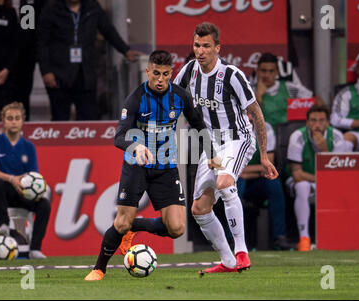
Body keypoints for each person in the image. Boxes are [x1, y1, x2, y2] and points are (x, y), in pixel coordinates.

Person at [84, 50, 211, 281]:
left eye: (165, 74)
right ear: (147, 72)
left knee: (176, 228)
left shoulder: (180, 96)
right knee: (121, 222)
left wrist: (211, 154)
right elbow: (119, 137)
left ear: (171, 73)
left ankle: (136, 226)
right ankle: (99, 269)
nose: (160, 79)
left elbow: (199, 125)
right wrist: (136, 147)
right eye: (155, 74)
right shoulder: (135, 98)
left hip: (166, 167)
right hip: (136, 166)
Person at [174, 22, 278, 273]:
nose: (200, 51)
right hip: (211, 147)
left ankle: (242, 251)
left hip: (237, 139)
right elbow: (172, 98)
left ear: (217, 48)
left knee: (224, 182)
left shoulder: (232, 75)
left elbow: (257, 113)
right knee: (199, 208)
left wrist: (263, 155)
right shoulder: (189, 71)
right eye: (197, 45)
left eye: (206, 46)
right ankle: (229, 260)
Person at [37, 0, 142, 121]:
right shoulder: (51, 8)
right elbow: (42, 43)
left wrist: (126, 51)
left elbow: (108, 30)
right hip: (59, 72)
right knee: (60, 118)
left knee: (88, 116)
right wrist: (45, 71)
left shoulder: (92, 6)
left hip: (85, 72)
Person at [0, 102, 51, 259]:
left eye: (17, 118)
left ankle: (35, 249)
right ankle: (4, 225)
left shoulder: (29, 147)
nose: (13, 121)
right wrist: (12, 179)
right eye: (10, 118)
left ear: (22, 121)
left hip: (21, 191)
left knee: (44, 204)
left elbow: (34, 175)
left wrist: (32, 189)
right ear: (4, 121)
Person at [286, 105, 345, 251]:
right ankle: (304, 239)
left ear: (328, 122)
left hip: (328, 183)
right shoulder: (297, 137)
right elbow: (297, 174)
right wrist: (322, 180)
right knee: (302, 186)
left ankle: (335, 238)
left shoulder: (337, 137)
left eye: (321, 120)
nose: (317, 125)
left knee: (343, 188)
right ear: (307, 122)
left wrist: (324, 151)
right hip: (300, 182)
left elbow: (339, 174)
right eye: (313, 120)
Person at [237, 121, 294, 250]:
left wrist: (242, 171)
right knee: (235, 184)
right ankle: (234, 240)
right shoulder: (229, 126)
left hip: (256, 182)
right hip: (233, 181)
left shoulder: (265, 127)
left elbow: (268, 166)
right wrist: (241, 172)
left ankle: (280, 237)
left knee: (273, 182)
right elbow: (226, 167)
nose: (250, 115)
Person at [254, 52, 319, 132]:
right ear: (257, 71)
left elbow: (317, 101)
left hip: (287, 136)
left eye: (271, 71)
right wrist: (259, 97)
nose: (267, 75)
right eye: (263, 71)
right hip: (262, 137)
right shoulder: (248, 90)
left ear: (277, 72)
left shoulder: (289, 88)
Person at [13, 0, 47, 121]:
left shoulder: (30, 4)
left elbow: (28, 29)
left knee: (22, 95)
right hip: (3, 57)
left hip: (25, 56)